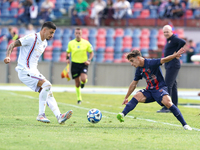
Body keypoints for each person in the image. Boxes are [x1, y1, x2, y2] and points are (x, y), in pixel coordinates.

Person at [4, 22, 72, 124]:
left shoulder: (44, 43)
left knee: (48, 92)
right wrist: (8, 56)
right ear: (44, 30)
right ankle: (41, 115)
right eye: (51, 32)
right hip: (24, 70)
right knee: (47, 85)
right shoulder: (32, 38)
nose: (52, 35)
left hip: (33, 71)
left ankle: (59, 116)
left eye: (53, 33)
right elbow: (13, 44)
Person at [116, 49, 192, 130]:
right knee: (137, 96)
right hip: (149, 90)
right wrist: (126, 97)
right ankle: (122, 114)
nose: (131, 64)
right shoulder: (139, 69)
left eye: (132, 61)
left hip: (159, 88)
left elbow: (164, 59)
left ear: (138, 58)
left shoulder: (151, 63)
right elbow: (134, 84)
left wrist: (174, 55)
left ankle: (185, 125)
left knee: (168, 103)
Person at [157, 25, 186, 113]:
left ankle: (167, 107)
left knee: (167, 85)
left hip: (173, 65)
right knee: (173, 86)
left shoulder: (174, 39)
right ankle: (174, 106)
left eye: (167, 32)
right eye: (164, 32)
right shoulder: (169, 40)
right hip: (170, 64)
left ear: (171, 32)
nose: (166, 33)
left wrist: (176, 52)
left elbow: (182, 42)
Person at [66, 27, 94, 104]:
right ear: (74, 34)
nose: (78, 35)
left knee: (84, 78)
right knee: (77, 83)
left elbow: (91, 52)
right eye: (76, 33)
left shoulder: (86, 43)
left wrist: (89, 60)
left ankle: (84, 82)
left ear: (81, 34)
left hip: (83, 64)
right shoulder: (71, 43)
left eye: (79, 33)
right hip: (74, 64)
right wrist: (67, 58)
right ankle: (79, 99)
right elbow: (68, 52)